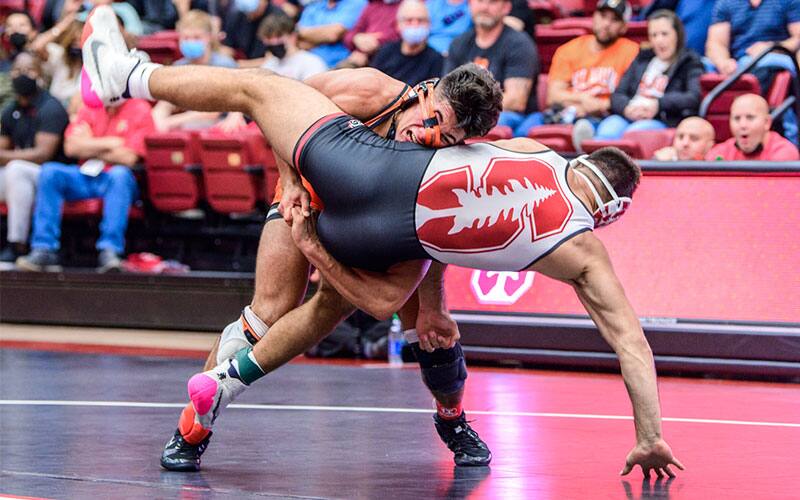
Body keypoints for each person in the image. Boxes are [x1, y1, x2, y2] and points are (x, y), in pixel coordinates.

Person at [84, 4, 684, 477]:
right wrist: (292, 180)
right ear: (425, 92)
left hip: (384, 209)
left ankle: (450, 416)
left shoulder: (499, 153)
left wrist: (433, 306)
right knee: (266, 311)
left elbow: (452, 225)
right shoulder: (372, 90)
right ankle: (194, 428)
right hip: (319, 187)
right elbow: (630, 340)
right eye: (433, 124)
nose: (431, 138)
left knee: (428, 325)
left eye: (446, 140)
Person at [15, 95, 155, 272]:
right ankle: (44, 248)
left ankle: (110, 251)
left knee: (120, 174)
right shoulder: (91, 107)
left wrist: (89, 145)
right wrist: (112, 143)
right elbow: (71, 147)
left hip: (114, 179)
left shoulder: (140, 109)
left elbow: (128, 157)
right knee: (50, 171)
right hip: (84, 176)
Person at [0, 52, 70, 262]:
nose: (23, 75)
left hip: (52, 175)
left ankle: (16, 244)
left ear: (40, 75)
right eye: (18, 71)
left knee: (16, 170)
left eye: (29, 70)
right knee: (14, 170)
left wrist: (7, 156)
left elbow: (42, 154)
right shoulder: (10, 109)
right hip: (19, 172)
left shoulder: (50, 107)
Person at [593, 10, 703, 140]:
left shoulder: (689, 61)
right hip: (629, 115)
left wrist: (658, 105)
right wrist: (627, 108)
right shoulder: (642, 58)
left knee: (633, 134)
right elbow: (617, 94)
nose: (659, 40)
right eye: (654, 35)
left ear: (677, 35)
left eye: (664, 34)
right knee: (607, 132)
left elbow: (693, 97)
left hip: (662, 120)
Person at [545, 0, 639, 148]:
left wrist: (598, 106)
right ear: (594, 16)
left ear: (624, 27)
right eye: (603, 16)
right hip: (568, 111)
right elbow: (553, 96)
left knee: (605, 128)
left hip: (609, 115)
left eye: (614, 20)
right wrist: (583, 100)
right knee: (529, 127)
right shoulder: (569, 49)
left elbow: (632, 96)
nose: (606, 24)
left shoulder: (631, 52)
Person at [444, 0, 539, 138]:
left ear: (506, 7)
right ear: (470, 5)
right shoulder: (458, 43)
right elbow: (446, 93)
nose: (484, 7)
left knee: (494, 122)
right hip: (469, 114)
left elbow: (516, 101)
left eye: (492, 2)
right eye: (479, 1)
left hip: (514, 118)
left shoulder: (520, 43)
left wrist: (469, 108)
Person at [151, 10, 237, 132]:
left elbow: (213, 112)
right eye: (186, 37)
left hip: (220, 126)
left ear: (209, 37)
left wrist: (172, 122)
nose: (190, 42)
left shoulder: (224, 65)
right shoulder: (177, 68)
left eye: (197, 37)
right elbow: (164, 104)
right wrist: (157, 120)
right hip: (189, 124)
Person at [705, 93, 800, 161]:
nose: (742, 125)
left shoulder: (784, 153)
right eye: (737, 118)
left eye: (750, 118)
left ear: (767, 123)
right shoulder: (720, 153)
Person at [369, 0, 444, 84]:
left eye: (420, 20)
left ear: (429, 24)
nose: (415, 25)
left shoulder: (436, 60)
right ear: (398, 24)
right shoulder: (385, 51)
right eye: (409, 20)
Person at [296, 0, 368, 68]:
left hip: (340, 67)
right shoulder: (316, 5)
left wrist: (304, 34)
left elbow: (333, 34)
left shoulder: (357, 3)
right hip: (308, 65)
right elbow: (298, 40)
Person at [339, 0, 401, 68]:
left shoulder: (408, 6)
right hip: (359, 58)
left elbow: (401, 35)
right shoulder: (373, 5)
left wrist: (374, 43)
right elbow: (350, 35)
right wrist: (356, 38)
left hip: (389, 60)